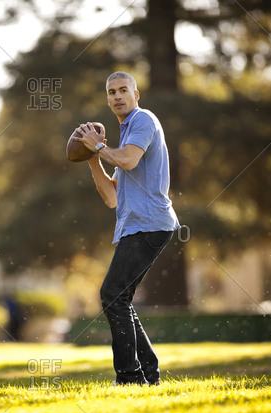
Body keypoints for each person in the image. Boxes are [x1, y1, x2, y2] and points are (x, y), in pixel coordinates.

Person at [75, 71, 180, 385]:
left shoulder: (143, 120)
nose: (117, 96)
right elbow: (111, 197)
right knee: (119, 298)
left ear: (136, 95)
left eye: (123, 90)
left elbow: (130, 161)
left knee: (112, 295)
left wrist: (99, 149)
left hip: (150, 224)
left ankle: (130, 377)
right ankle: (148, 373)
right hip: (135, 226)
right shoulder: (125, 135)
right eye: (111, 92)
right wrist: (92, 156)